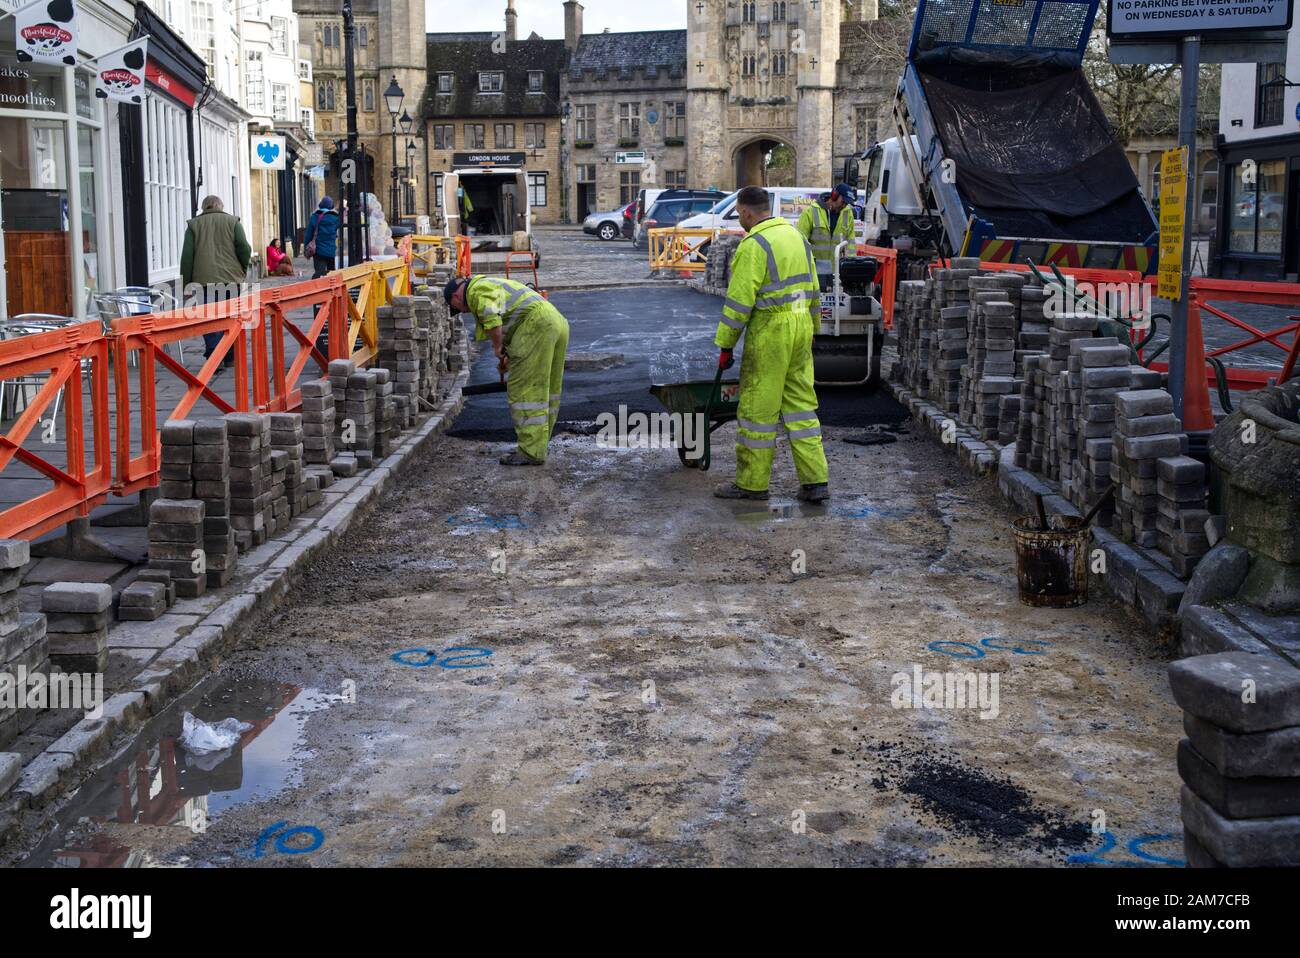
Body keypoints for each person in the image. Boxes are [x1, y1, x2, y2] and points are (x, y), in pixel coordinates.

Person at [713, 185, 829, 503]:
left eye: (739, 214)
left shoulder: (754, 245)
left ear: (748, 212)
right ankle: (815, 482)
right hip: (801, 327)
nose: (740, 220)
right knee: (801, 407)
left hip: (772, 331)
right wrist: (814, 327)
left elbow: (739, 304)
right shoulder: (797, 238)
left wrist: (725, 345)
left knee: (757, 410)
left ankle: (751, 485)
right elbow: (814, 289)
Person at [445, 275, 569, 465]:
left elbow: (492, 320)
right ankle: (538, 445)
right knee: (547, 387)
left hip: (536, 324)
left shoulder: (475, 291)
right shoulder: (490, 283)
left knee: (525, 390)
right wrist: (507, 355)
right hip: (555, 321)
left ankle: (530, 452)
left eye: (458, 309)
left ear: (455, 296)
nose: (463, 311)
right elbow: (507, 321)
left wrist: (497, 348)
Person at [180, 195, 251, 367]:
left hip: (203, 280)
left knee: (209, 318)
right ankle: (230, 356)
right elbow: (244, 247)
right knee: (230, 316)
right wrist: (242, 268)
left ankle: (214, 355)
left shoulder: (193, 225)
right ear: (221, 206)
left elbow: (187, 257)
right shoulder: (233, 222)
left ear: (204, 208)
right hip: (230, 279)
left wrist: (186, 284)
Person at [797, 183, 856, 290]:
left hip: (836, 274)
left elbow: (850, 242)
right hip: (814, 273)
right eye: (843, 202)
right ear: (834, 196)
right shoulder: (810, 212)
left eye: (846, 204)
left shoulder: (848, 214)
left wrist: (851, 267)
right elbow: (799, 242)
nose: (844, 206)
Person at [304, 196, 340, 279]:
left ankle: (320, 288)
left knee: (319, 273)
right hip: (331, 250)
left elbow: (308, 234)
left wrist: (306, 247)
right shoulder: (335, 218)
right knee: (332, 274)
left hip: (318, 250)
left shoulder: (314, 217)